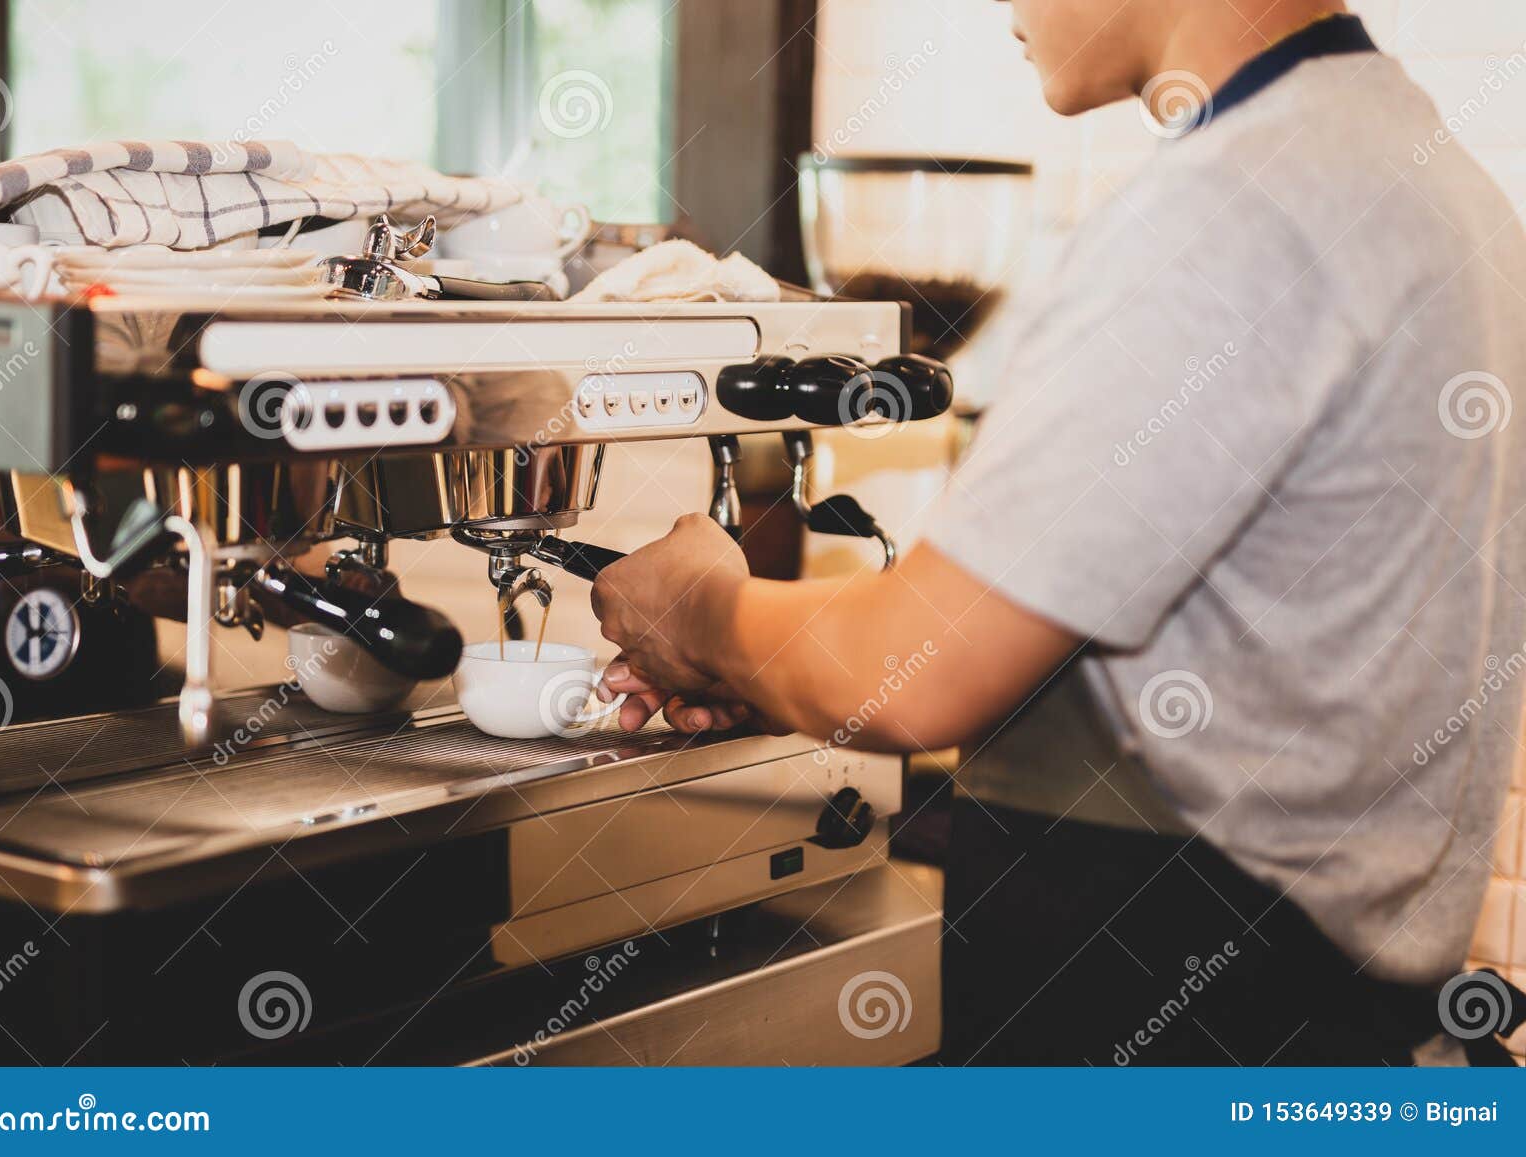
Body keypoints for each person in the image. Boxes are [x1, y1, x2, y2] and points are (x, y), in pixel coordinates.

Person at [590, 0, 1526, 1065]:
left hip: (1184, 1022)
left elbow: (919, 663)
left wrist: (698, 609)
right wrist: (773, 658)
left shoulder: (1234, 206)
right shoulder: (1431, 177)